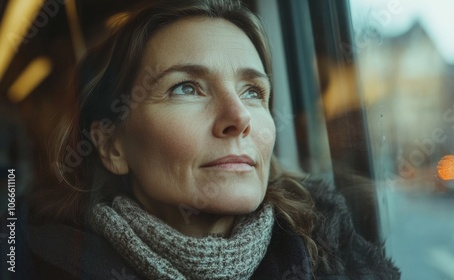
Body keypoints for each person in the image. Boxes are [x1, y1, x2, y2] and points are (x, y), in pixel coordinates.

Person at [7, 0, 400, 279]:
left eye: (252, 92)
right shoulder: (28, 260)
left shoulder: (343, 260)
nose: (239, 118)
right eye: (186, 88)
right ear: (112, 145)